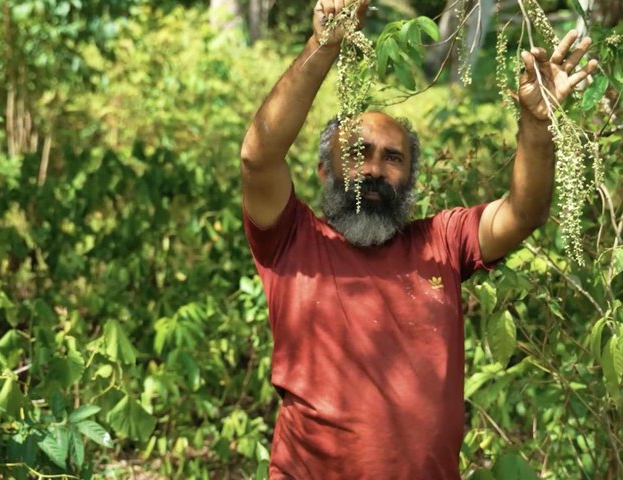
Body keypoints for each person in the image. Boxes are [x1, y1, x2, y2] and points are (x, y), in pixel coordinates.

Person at [240, 1, 598, 478]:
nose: (373, 169)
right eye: (358, 153)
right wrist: (325, 45)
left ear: (410, 177)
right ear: (326, 169)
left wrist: (537, 126)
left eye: (392, 158)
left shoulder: (442, 242)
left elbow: (522, 213)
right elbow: (258, 157)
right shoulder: (292, 241)